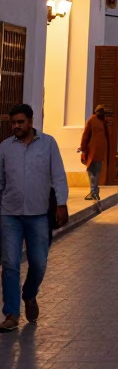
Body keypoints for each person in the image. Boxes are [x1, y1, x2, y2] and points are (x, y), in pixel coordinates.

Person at [0, 103, 68, 332]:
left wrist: (61, 204)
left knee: (38, 263)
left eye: (20, 122)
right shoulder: (5, 148)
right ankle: (11, 313)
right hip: (10, 214)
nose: (16, 126)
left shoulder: (48, 144)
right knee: (10, 263)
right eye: (13, 123)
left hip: (39, 215)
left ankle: (29, 295)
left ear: (30, 122)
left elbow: (58, 175)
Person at [79, 103, 111, 202]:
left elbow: (86, 137)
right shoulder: (95, 121)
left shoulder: (100, 122)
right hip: (94, 153)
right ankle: (94, 191)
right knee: (94, 172)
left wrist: (83, 148)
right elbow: (86, 136)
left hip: (96, 153)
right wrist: (83, 148)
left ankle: (94, 192)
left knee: (94, 172)